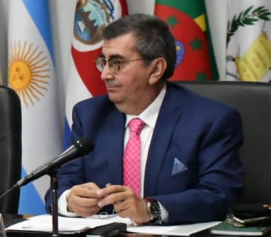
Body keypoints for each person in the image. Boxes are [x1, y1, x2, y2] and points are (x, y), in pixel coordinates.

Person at [58, 14, 244, 225]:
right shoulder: (90, 116)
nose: (105, 75)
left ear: (155, 69)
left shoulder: (210, 120)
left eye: (117, 63)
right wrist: (70, 201)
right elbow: (63, 183)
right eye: (104, 62)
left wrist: (150, 209)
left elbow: (220, 195)